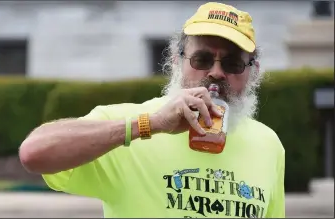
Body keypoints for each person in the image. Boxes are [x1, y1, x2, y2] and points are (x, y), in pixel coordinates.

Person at [19, 2, 285, 218]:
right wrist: (151, 124)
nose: (216, 72)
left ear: (253, 72)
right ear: (176, 61)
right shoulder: (127, 125)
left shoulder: (268, 144)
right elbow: (34, 153)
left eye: (233, 63)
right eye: (202, 59)